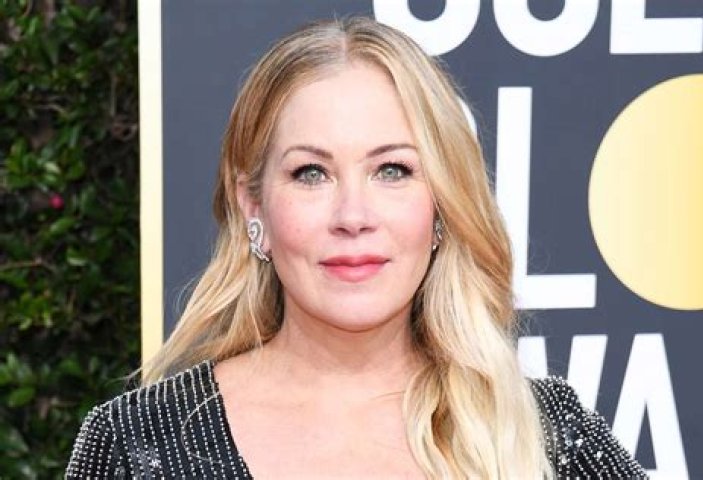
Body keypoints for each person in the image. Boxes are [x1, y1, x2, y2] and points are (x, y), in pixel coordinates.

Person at [66, 17, 646, 479]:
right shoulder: (138, 444)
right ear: (252, 206)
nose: (353, 217)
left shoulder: (545, 434)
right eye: (311, 173)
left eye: (392, 170)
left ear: (442, 202)